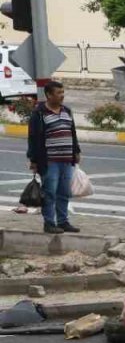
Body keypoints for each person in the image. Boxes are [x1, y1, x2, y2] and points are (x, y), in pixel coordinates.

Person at [26, 80, 81, 235]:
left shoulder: (67, 111)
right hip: (50, 161)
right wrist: (33, 159)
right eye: (58, 93)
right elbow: (33, 137)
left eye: (63, 92)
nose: (62, 95)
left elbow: (72, 132)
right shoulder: (39, 113)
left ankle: (63, 222)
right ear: (49, 95)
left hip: (66, 160)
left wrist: (76, 151)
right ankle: (49, 223)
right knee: (50, 193)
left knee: (64, 193)